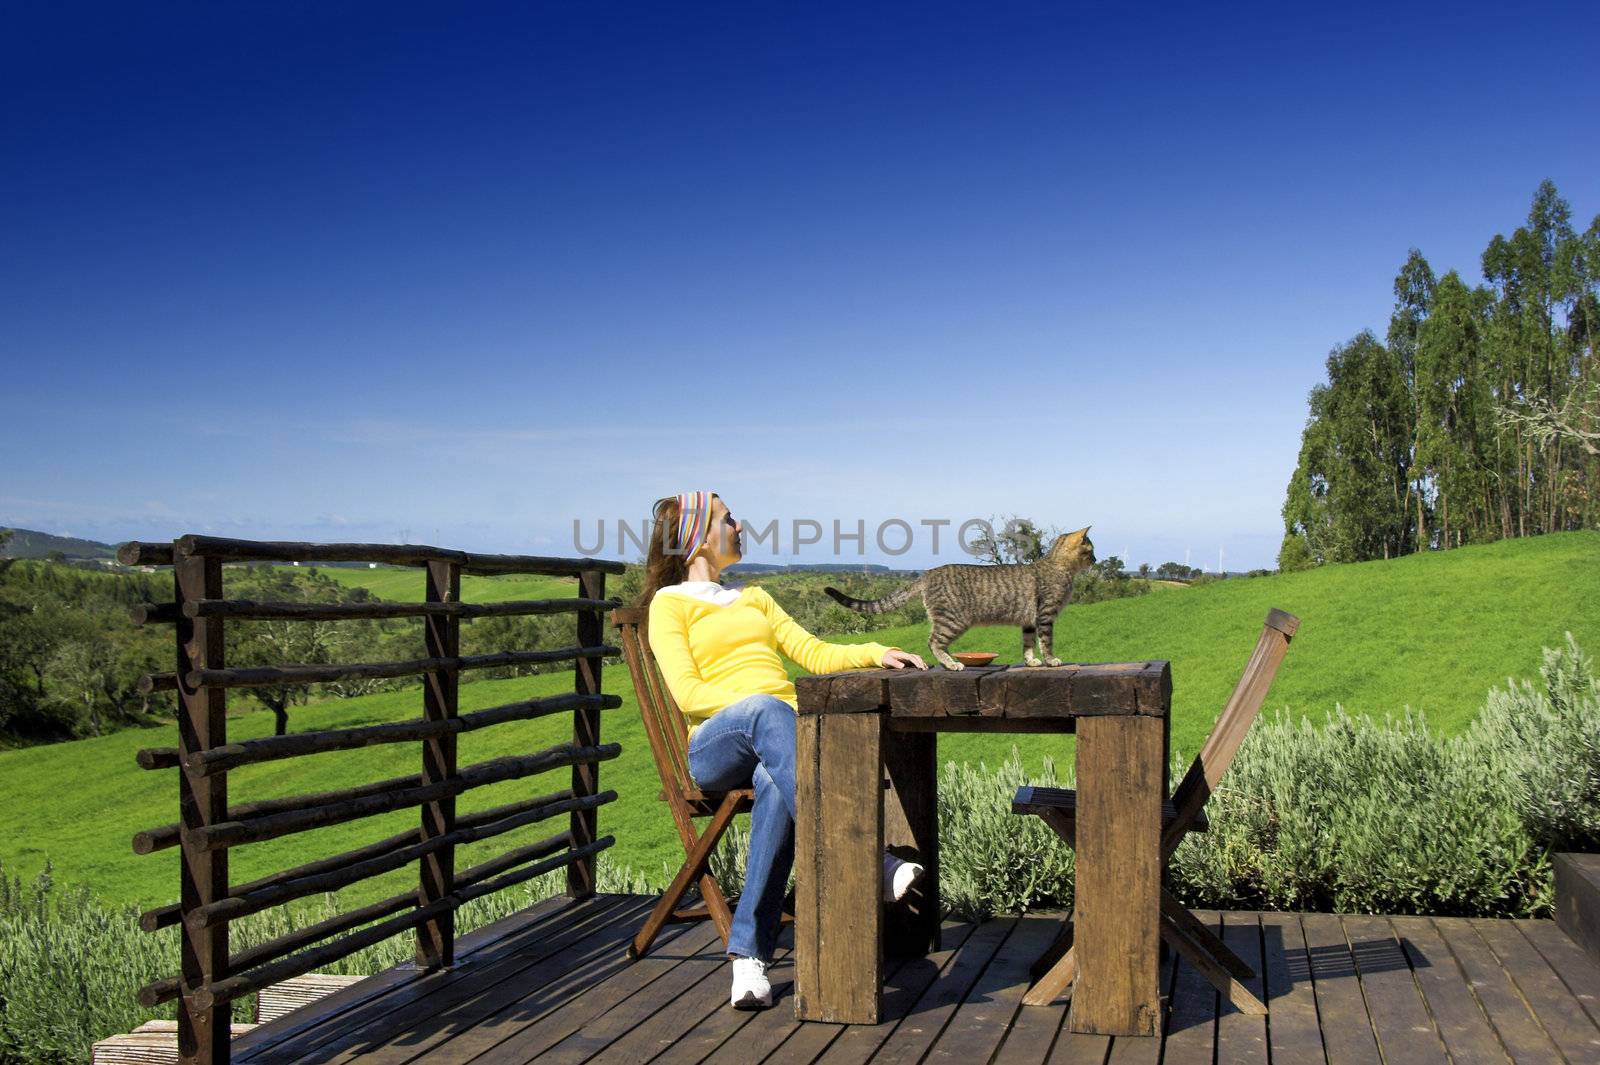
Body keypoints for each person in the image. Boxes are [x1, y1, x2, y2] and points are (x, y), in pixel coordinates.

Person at [639, 491, 930, 1009]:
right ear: (698, 537)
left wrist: (875, 652)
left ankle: (748, 958)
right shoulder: (669, 604)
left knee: (777, 779)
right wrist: (765, 706)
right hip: (715, 746)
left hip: (777, 745)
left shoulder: (756, 597)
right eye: (729, 519)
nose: (740, 524)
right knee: (771, 713)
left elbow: (812, 651)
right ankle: (867, 856)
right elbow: (687, 694)